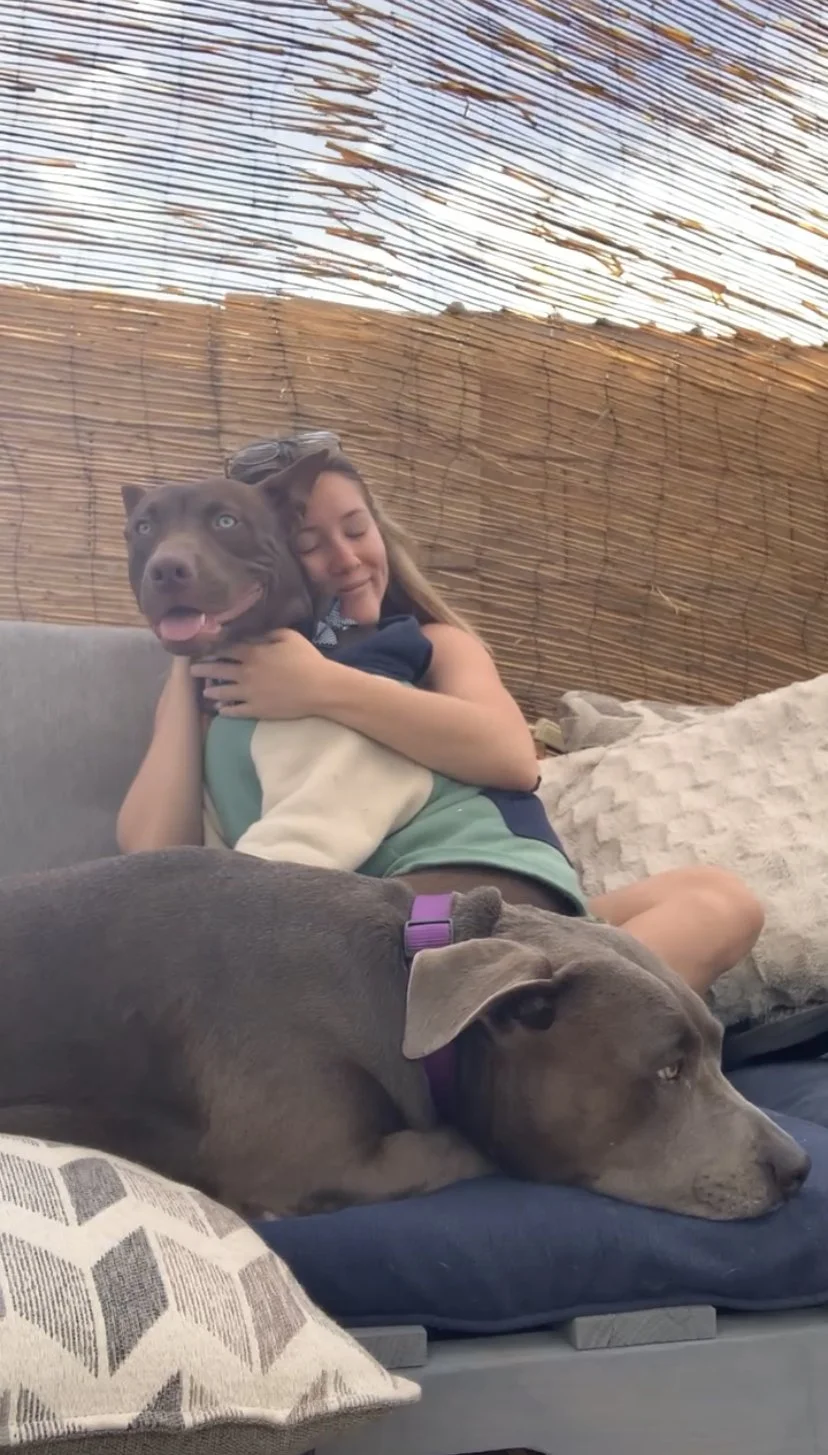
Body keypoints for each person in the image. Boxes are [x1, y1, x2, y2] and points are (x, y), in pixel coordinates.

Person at [117, 430, 764, 997]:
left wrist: (321, 685)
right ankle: (550, 1021)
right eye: (311, 543)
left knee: (720, 901)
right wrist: (190, 645)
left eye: (357, 529)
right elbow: (153, 850)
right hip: (407, 919)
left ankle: (557, 1009)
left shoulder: (429, 645)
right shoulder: (225, 690)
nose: (346, 558)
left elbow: (512, 759)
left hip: (527, 909)